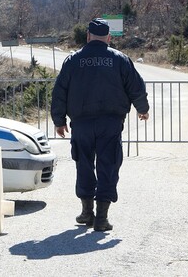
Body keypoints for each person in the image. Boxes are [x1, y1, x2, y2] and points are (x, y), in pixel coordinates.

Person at [51, 18, 150, 232]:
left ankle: (87, 213)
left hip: (82, 124)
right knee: (108, 165)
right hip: (111, 124)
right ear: (109, 38)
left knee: (84, 164)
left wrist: (59, 121)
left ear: (87, 36)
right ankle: (102, 218)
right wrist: (142, 108)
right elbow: (135, 86)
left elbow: (60, 92)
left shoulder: (73, 60)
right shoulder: (120, 59)